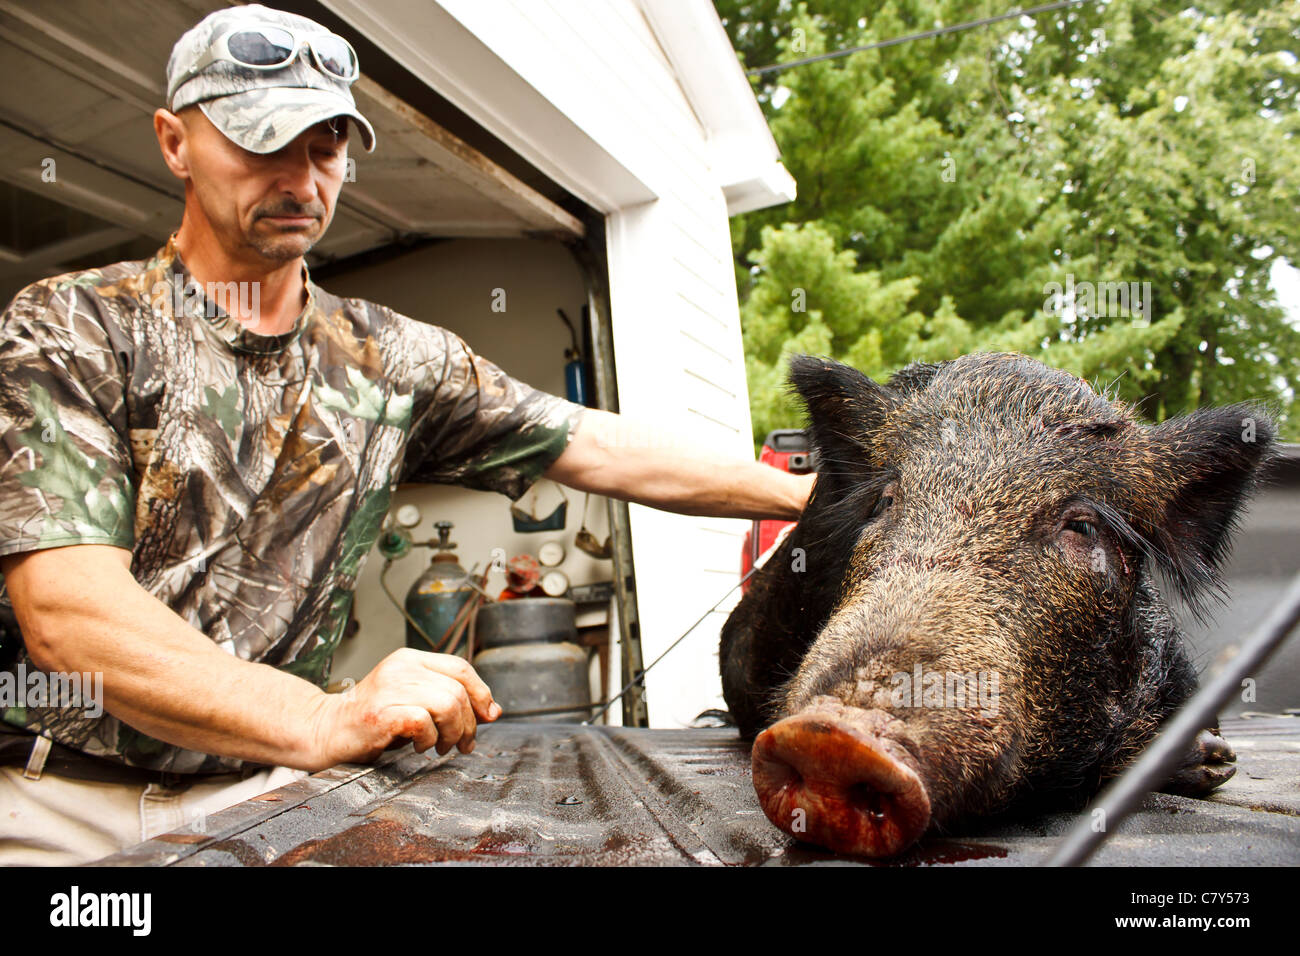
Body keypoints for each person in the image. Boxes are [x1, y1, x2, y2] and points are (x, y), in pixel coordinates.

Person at [0, 4, 813, 865]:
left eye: (324, 149)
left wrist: (807, 497)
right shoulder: (75, 326)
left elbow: (598, 446)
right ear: (175, 143)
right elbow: (69, 616)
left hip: (265, 790)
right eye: (262, 144)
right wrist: (323, 714)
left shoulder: (393, 361)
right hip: (59, 800)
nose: (300, 180)